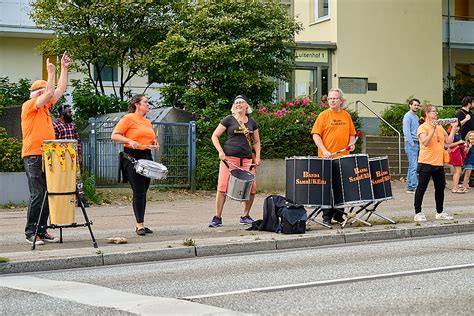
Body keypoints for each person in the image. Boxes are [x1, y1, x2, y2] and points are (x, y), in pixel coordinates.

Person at [21, 52, 71, 245]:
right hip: (33, 154)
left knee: (49, 191)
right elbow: (50, 92)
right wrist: (51, 72)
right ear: (35, 94)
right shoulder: (29, 106)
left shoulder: (45, 108)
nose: (44, 93)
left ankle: (41, 230)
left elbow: (60, 89)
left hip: (47, 155)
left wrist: (64, 68)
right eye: (40, 91)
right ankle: (31, 232)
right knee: (38, 193)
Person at [208, 95, 261, 228]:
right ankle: (217, 217)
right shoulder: (228, 120)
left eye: (241, 102)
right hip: (229, 160)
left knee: (252, 188)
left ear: (246, 106)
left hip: (247, 160)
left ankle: (245, 215)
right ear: (234, 106)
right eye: (236, 102)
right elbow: (214, 136)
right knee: (222, 187)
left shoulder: (252, 122)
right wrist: (220, 152)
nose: (238, 104)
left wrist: (258, 157)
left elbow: (257, 141)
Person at [111, 94, 158, 236]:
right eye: (145, 102)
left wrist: (154, 143)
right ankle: (139, 225)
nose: (148, 104)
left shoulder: (147, 122)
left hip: (146, 157)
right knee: (138, 191)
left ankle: (141, 221)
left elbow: (151, 138)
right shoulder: (128, 118)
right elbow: (115, 135)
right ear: (137, 104)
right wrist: (129, 141)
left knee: (143, 191)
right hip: (132, 158)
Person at [311, 88, 356, 226]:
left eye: (335, 98)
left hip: (343, 158)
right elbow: (315, 135)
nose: (332, 101)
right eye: (330, 98)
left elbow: (351, 134)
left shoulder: (346, 116)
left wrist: (351, 144)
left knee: (341, 188)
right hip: (327, 158)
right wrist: (324, 150)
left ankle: (339, 215)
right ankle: (326, 217)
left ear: (341, 100)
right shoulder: (323, 115)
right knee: (327, 189)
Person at [413, 105, 457, 222]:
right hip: (426, 161)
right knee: (422, 187)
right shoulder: (423, 127)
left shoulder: (440, 127)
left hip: (438, 162)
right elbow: (425, 142)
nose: (436, 113)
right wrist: (432, 129)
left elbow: (448, 142)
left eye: (436, 112)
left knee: (440, 187)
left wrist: (453, 128)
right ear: (427, 113)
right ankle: (418, 212)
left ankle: (440, 211)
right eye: (433, 112)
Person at [53, 104, 88, 207]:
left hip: (73, 156)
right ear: (61, 113)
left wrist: (80, 154)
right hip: (61, 157)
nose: (70, 114)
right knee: (63, 178)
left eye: (70, 112)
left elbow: (77, 140)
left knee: (77, 178)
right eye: (68, 112)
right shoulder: (55, 125)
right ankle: (63, 199)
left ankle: (81, 200)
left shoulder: (72, 124)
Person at [402, 98, 421, 194]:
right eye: (415, 105)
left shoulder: (416, 117)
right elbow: (406, 131)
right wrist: (412, 143)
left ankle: (410, 186)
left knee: (412, 166)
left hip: (416, 142)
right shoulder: (407, 116)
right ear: (410, 105)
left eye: (418, 105)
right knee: (414, 166)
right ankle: (414, 186)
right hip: (411, 143)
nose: (416, 106)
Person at [447, 123, 466, 193]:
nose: (457, 128)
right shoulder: (451, 135)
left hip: (459, 153)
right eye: (456, 126)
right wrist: (459, 142)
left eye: (458, 126)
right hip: (455, 153)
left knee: (458, 171)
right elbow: (449, 145)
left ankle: (456, 186)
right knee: (457, 171)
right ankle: (455, 188)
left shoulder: (458, 133)